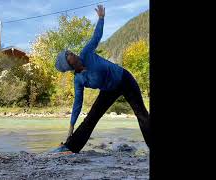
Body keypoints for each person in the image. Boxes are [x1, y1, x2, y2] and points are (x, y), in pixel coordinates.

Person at [51, 5, 150, 153]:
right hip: (108, 90)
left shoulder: (86, 52)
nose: (71, 52)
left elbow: (96, 36)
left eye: (69, 51)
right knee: (91, 117)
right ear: (68, 63)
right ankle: (70, 147)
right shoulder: (78, 80)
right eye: (68, 54)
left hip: (124, 79)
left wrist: (101, 18)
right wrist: (71, 127)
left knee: (141, 114)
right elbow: (77, 104)